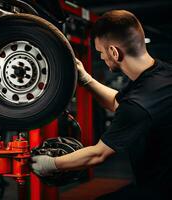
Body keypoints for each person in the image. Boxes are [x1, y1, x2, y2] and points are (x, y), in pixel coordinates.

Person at [31, 10, 172, 199]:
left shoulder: (137, 105)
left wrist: (50, 164)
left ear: (114, 52)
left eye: (101, 52)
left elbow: (98, 154)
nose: (102, 58)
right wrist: (86, 79)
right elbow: (119, 102)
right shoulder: (162, 73)